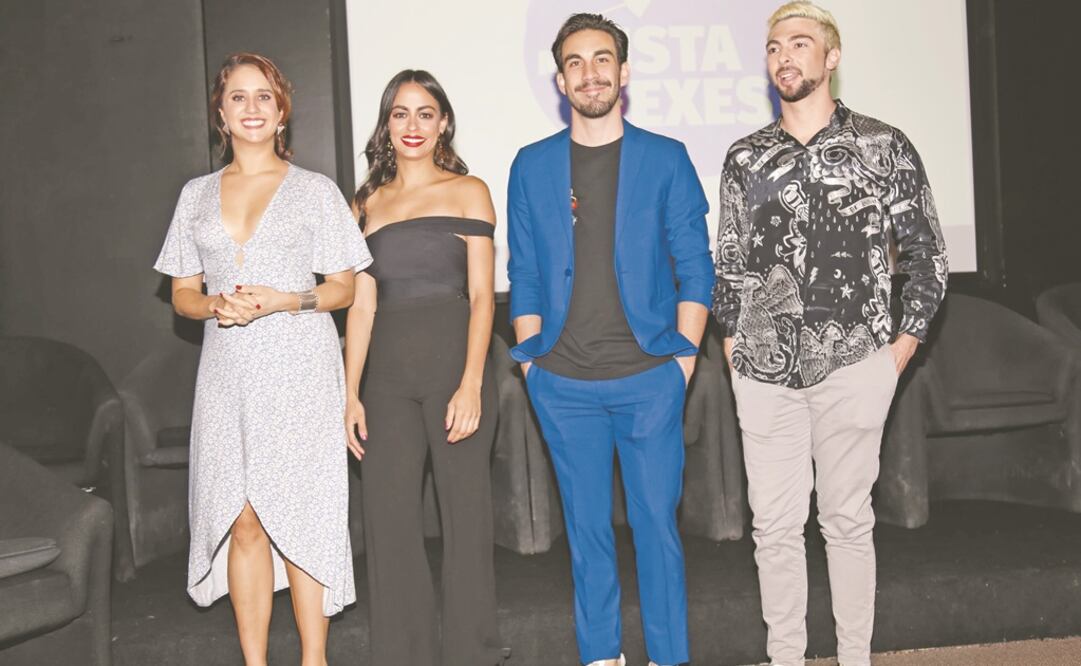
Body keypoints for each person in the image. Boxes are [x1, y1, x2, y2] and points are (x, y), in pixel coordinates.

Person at [712, 3, 948, 665]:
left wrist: (897, 351)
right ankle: (784, 657)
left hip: (855, 366)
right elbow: (728, 265)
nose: (783, 57)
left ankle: (853, 659)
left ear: (830, 57)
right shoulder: (744, 158)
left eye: (798, 44)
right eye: (772, 48)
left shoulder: (883, 144)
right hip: (762, 373)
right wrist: (735, 351)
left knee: (845, 522)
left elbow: (926, 254)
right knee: (774, 530)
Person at [506, 13, 714, 666]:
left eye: (602, 60)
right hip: (562, 384)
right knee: (587, 535)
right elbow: (526, 273)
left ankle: (667, 658)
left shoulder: (665, 158)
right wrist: (533, 365)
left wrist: (680, 361)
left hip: (650, 377)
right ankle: (601, 657)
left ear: (623, 73)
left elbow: (695, 267)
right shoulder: (531, 165)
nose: (589, 72)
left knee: (657, 531)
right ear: (559, 77)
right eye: (574, 62)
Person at [153, 52, 369, 666]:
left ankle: (314, 659)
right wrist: (215, 303)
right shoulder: (195, 196)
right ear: (220, 113)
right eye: (239, 97)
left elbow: (344, 288)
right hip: (227, 370)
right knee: (240, 516)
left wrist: (284, 299)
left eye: (264, 98)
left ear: (282, 113)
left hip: (299, 363)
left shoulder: (315, 191)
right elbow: (182, 296)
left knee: (300, 513)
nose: (252, 108)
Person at [343, 69, 505, 666]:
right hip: (384, 380)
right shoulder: (364, 204)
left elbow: (484, 297)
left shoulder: (470, 191)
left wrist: (471, 382)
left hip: (452, 368)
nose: (412, 125)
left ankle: (472, 656)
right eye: (400, 113)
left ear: (443, 123)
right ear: (387, 124)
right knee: (388, 526)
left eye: (425, 113)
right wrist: (350, 393)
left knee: (466, 523)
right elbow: (361, 304)